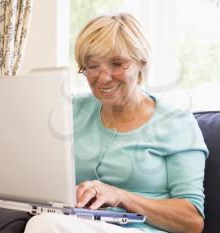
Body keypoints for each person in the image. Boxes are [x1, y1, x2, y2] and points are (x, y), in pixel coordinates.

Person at [24, 13, 209, 233]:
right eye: (92, 66)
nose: (103, 78)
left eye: (117, 63)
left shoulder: (177, 123)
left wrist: (119, 196)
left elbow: (192, 221)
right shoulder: (71, 111)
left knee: (45, 225)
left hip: (143, 230)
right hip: (79, 223)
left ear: (141, 63)